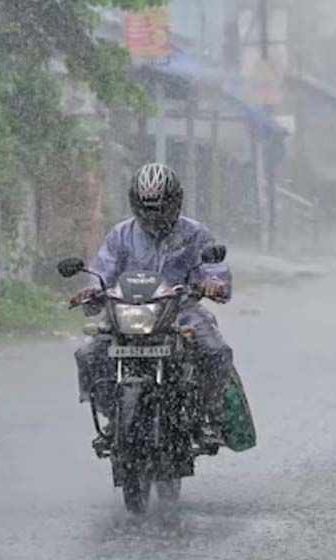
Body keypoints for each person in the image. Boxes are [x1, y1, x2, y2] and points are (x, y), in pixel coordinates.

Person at [72, 163, 256, 451]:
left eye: (160, 207)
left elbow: (214, 269)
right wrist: (92, 290)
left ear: (175, 201)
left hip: (181, 311)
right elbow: (102, 270)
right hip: (128, 313)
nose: (154, 215)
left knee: (216, 351)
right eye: (147, 208)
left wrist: (213, 284)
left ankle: (208, 415)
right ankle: (115, 416)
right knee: (89, 354)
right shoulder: (121, 235)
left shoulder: (195, 234)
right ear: (135, 204)